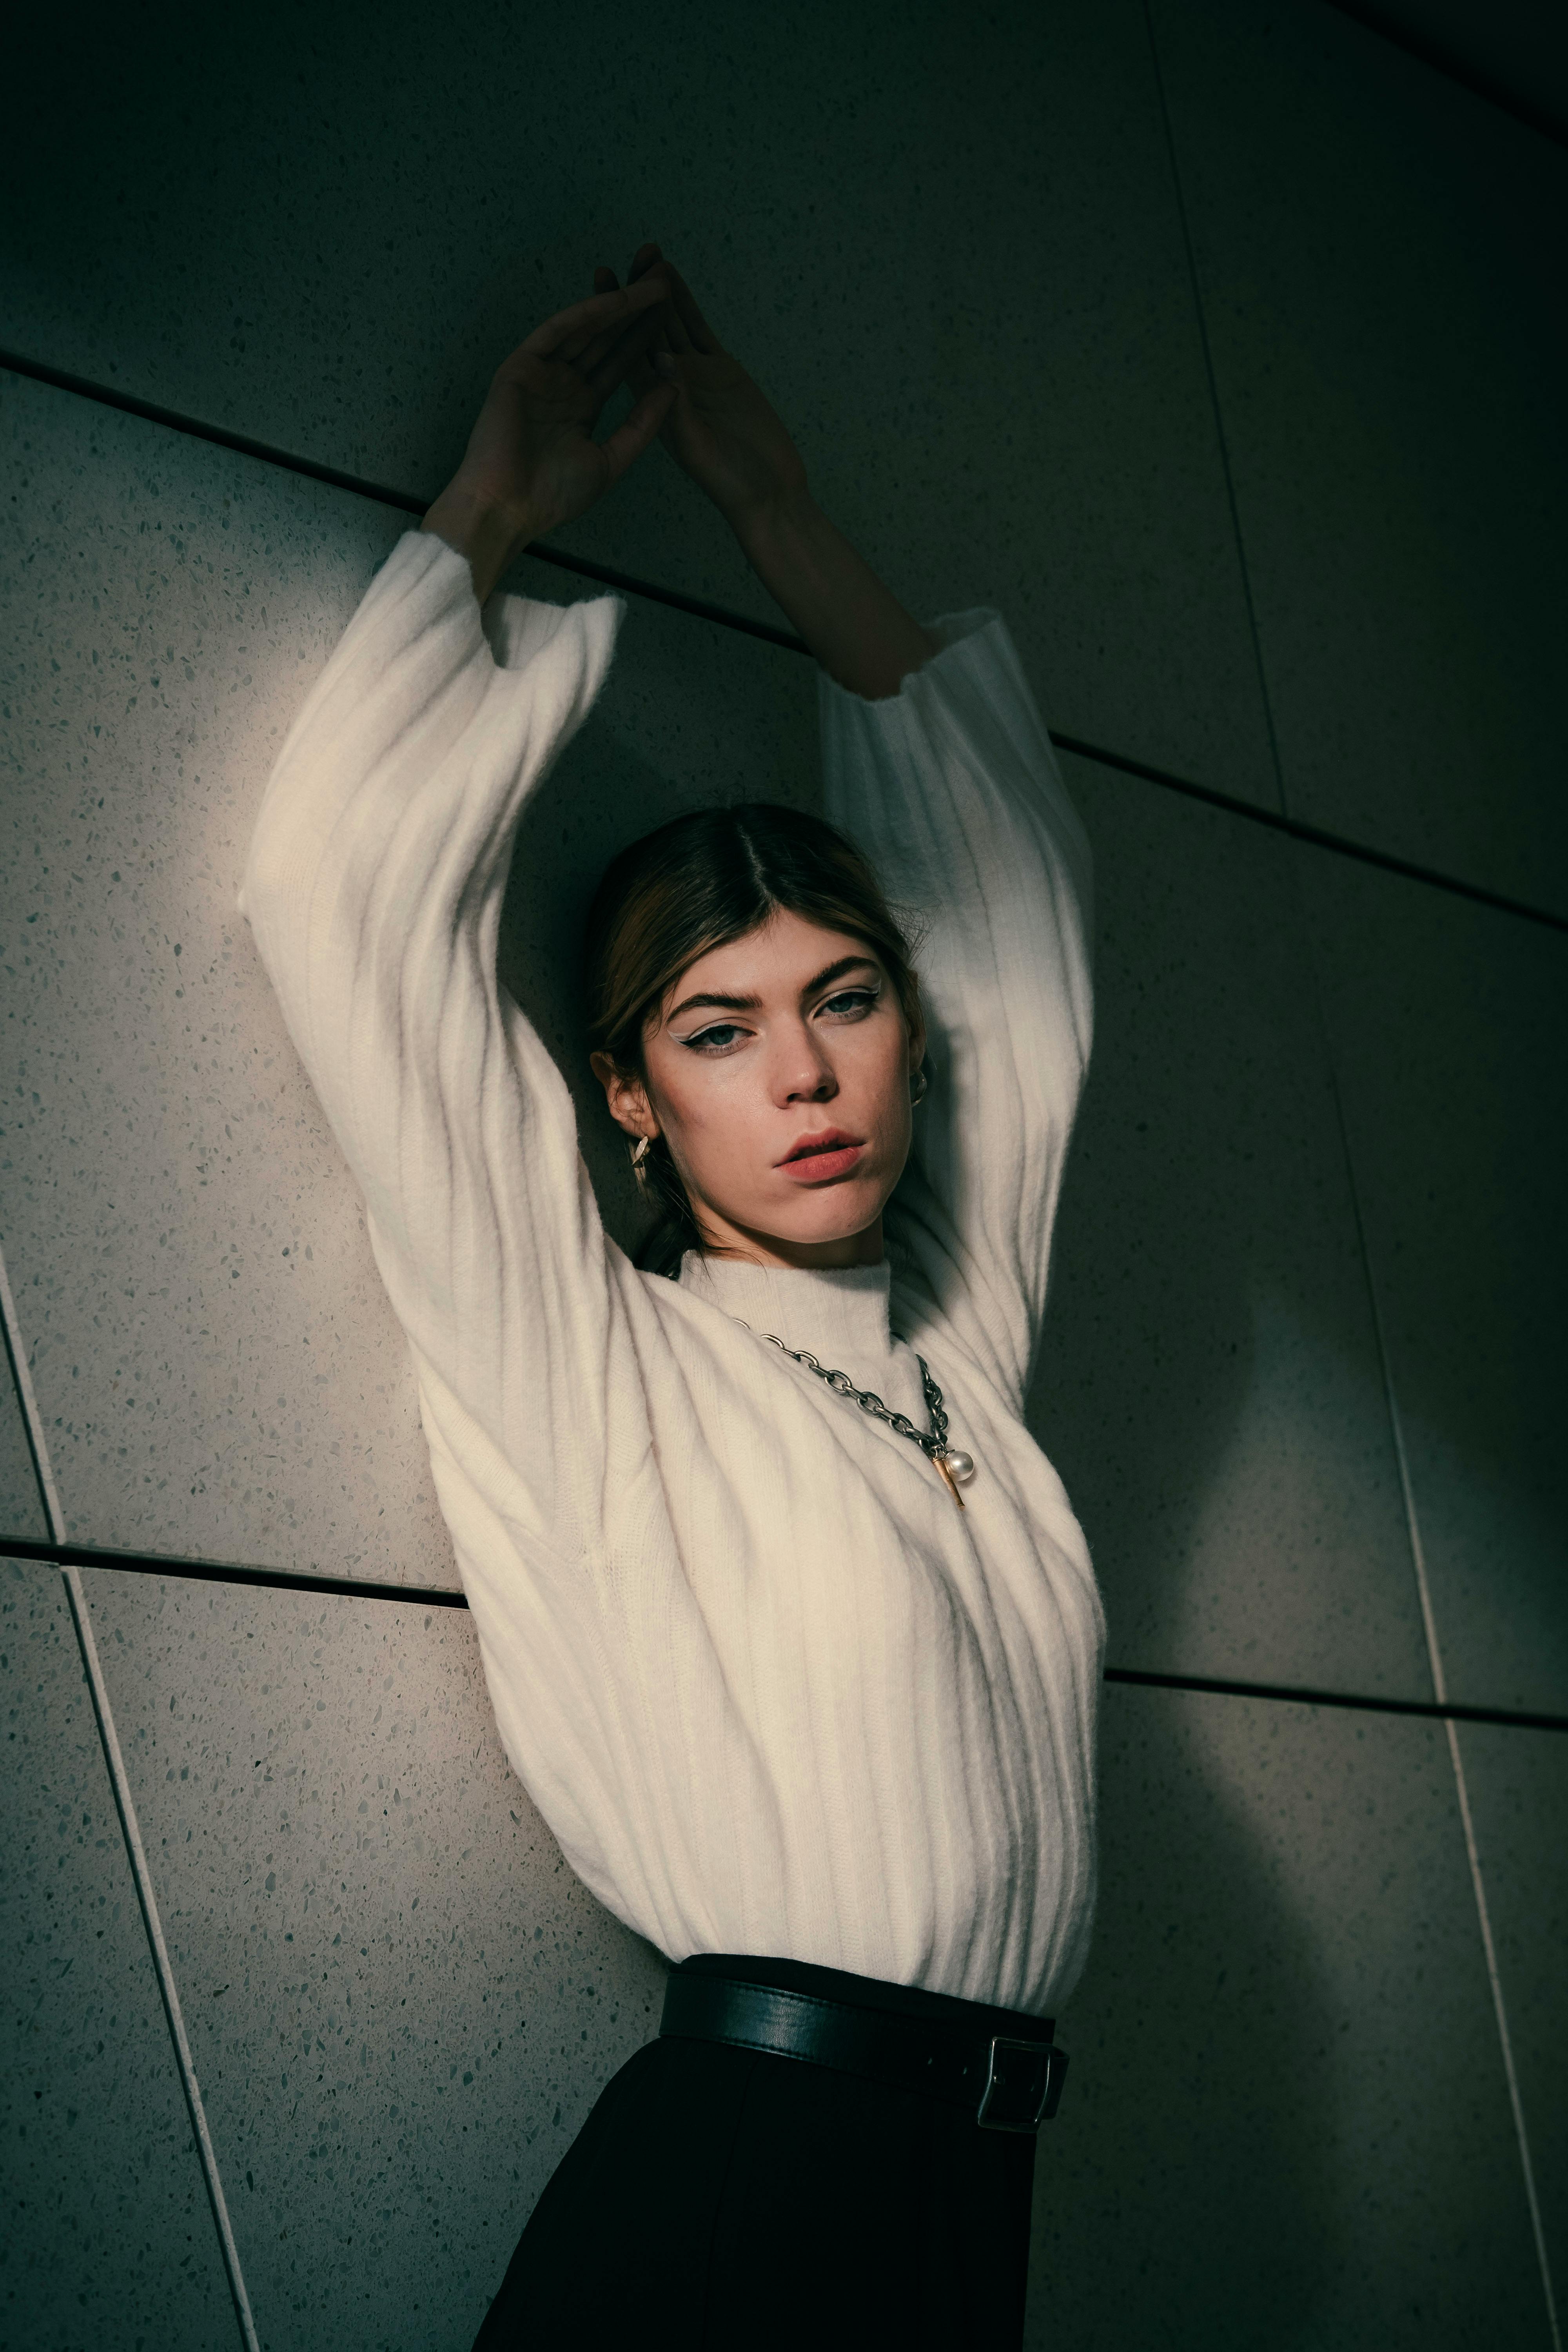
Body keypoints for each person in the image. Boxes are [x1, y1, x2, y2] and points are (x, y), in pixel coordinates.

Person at [238, 241, 1103, 2349]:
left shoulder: (958, 1360)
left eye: (843, 1002)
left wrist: (781, 517)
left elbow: (1031, 951)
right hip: (741, 2190)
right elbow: (333, 905)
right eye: (718, 1033)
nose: (805, 1075)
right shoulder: (597, 1360)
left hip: (974, 2197)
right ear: (628, 1101)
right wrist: (495, 511)